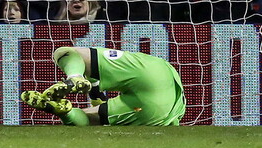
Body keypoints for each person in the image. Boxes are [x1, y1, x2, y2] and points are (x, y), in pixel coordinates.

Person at [21, 46, 186, 126]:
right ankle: (66, 111)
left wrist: (90, 83)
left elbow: (99, 98)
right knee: (91, 117)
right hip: (156, 104)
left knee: (63, 53)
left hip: (150, 79)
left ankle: (74, 78)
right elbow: (99, 99)